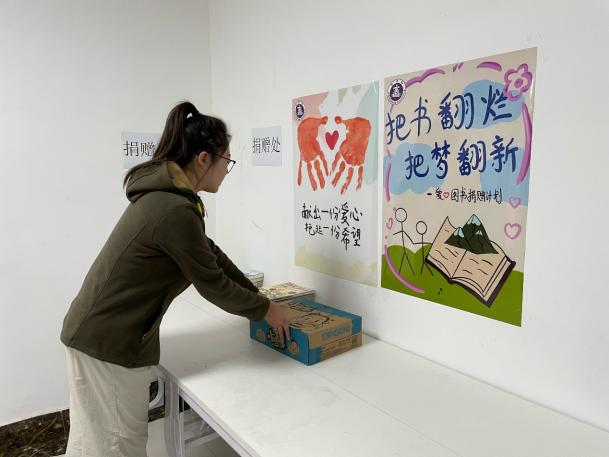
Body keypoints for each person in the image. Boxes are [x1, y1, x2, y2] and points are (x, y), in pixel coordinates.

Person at [60, 101, 290, 456]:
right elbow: (212, 284)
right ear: (203, 159)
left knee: (95, 442)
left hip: (102, 333)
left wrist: (257, 295)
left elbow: (210, 253)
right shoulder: (173, 209)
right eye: (227, 161)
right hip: (108, 343)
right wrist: (265, 310)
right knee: (117, 446)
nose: (227, 170)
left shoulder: (174, 198)